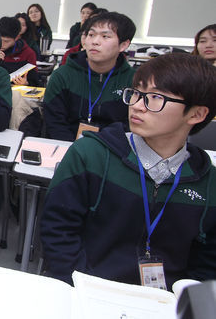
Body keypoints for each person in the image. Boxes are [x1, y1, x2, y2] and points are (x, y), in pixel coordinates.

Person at [40, 53, 216, 287]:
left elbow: (207, 265)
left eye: (155, 98)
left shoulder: (208, 184)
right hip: (86, 288)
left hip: (164, 300)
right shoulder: (90, 155)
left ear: (196, 114)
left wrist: (178, 300)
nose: (137, 106)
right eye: (136, 93)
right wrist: (83, 287)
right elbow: (57, 231)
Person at [43, 12, 136, 141]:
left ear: (123, 45)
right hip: (68, 146)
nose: (95, 42)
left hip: (113, 148)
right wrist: (76, 149)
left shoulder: (133, 81)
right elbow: (54, 123)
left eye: (105, 36)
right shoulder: (62, 76)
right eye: (91, 35)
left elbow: (131, 126)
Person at [0, 15, 39, 87]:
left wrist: (26, 83)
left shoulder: (28, 53)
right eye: (0, 40)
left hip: (17, 91)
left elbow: (36, 83)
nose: (2, 44)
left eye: (6, 41)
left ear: (17, 37)